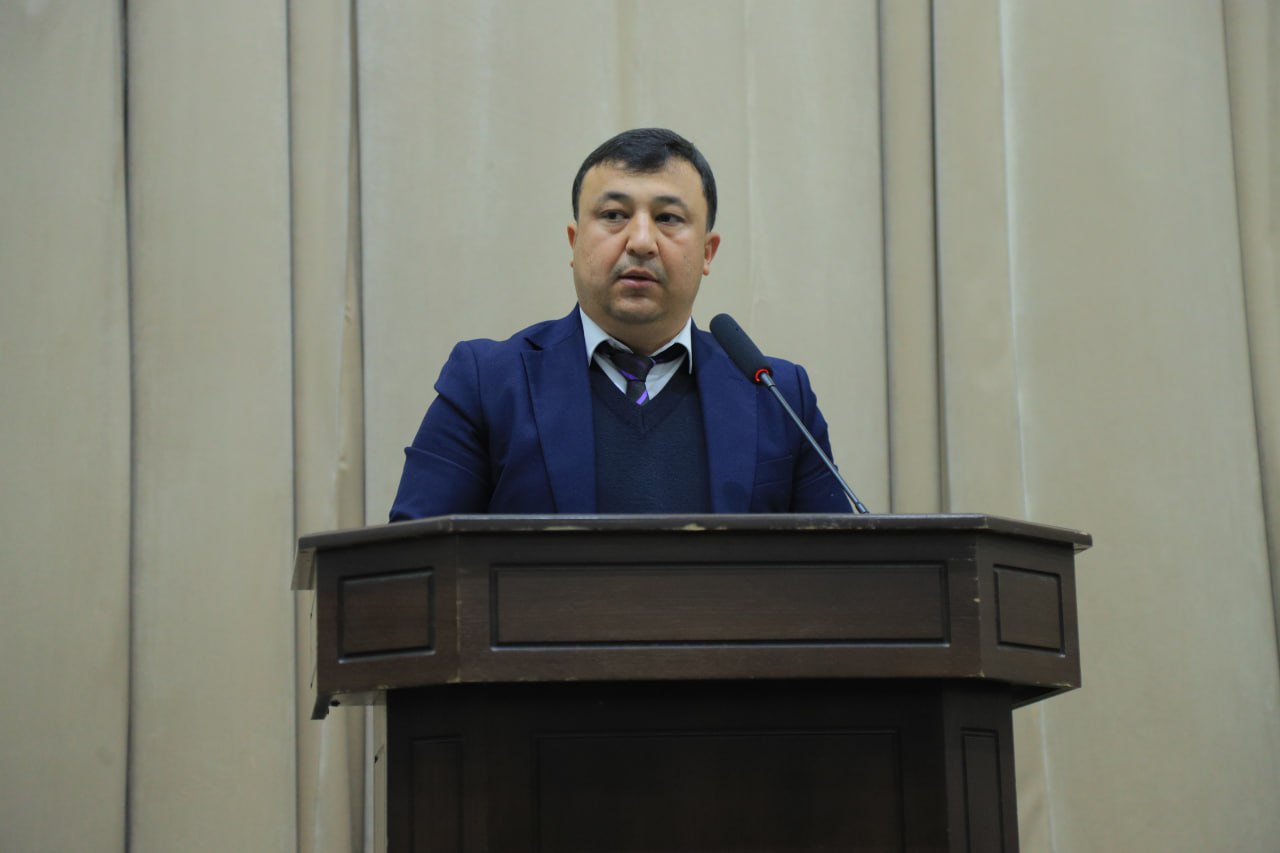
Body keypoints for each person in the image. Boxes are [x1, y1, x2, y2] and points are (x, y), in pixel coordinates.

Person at [390, 128, 851, 520]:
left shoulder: (778, 396)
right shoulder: (488, 384)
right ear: (574, 243)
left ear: (708, 253)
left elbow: (838, 573)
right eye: (614, 216)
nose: (642, 241)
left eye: (668, 218)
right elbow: (416, 563)